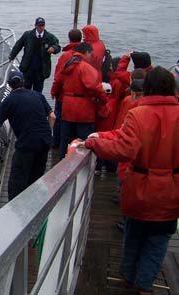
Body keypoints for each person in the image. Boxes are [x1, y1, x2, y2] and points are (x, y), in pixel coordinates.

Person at [79, 66, 179, 295]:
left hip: (140, 187)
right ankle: (145, 285)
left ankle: (128, 276)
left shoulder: (138, 113)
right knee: (158, 240)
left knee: (134, 234)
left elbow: (124, 149)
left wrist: (94, 143)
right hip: (172, 190)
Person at [0, 70, 55, 200]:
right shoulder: (38, 95)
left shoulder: (9, 101)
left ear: (10, 85)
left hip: (27, 143)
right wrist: (48, 133)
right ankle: (35, 201)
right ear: (23, 82)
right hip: (44, 141)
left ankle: (14, 208)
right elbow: (52, 116)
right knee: (37, 174)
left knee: (17, 179)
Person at [57, 42, 108, 159]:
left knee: (65, 138)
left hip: (67, 106)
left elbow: (58, 81)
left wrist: (55, 93)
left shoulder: (68, 64)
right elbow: (94, 87)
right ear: (87, 52)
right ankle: (81, 164)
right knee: (84, 139)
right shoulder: (85, 67)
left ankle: (61, 160)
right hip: (83, 109)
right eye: (90, 54)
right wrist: (105, 100)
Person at [8, 17, 60, 92]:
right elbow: (18, 46)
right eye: (39, 25)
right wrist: (12, 56)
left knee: (38, 91)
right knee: (25, 89)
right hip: (28, 68)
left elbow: (57, 46)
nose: (41, 27)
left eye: (42, 25)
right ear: (35, 26)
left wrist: (54, 48)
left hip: (41, 70)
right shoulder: (27, 35)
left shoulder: (49, 37)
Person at [51, 28, 82, 148]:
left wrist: (54, 91)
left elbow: (59, 76)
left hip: (64, 96)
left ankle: (57, 143)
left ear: (69, 39)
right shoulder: (86, 55)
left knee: (60, 119)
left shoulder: (66, 56)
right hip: (80, 98)